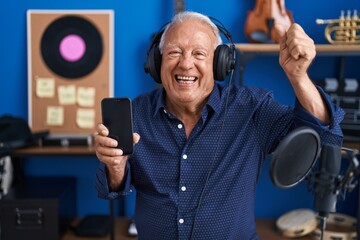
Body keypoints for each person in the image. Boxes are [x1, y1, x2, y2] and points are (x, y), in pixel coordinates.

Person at [94, 11, 344, 240]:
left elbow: (324, 138)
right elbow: (113, 189)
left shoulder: (252, 109)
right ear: (157, 63)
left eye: (199, 54)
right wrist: (115, 167)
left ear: (220, 63)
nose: (185, 64)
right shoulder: (136, 113)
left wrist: (298, 76)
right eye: (174, 52)